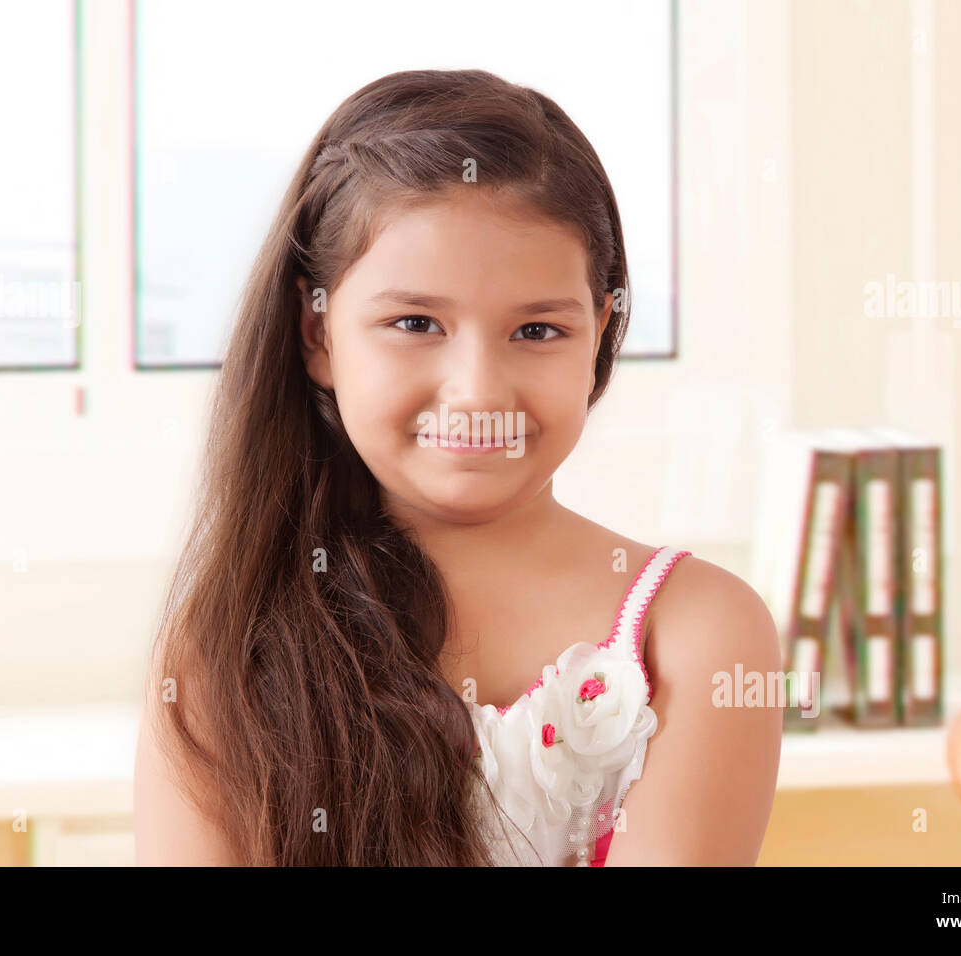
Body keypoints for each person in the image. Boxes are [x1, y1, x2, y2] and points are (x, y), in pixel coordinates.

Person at [134, 68, 781, 866]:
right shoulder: (223, 649)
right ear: (317, 332)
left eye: (537, 331)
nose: (478, 392)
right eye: (415, 322)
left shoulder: (694, 633)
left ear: (600, 333)